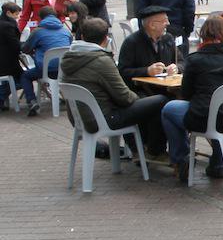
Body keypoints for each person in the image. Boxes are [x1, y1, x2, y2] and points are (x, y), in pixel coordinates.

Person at [160, 16, 223, 181]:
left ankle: (181, 159)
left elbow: (187, 94)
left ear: (204, 35)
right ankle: (219, 162)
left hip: (206, 119)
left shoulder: (195, 60)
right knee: (219, 111)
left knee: (169, 110)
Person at [61, 18, 169, 157]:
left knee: (142, 102)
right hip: (102, 119)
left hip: (79, 119)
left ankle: (139, 149)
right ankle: (153, 151)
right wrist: (139, 98)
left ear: (82, 37)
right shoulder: (101, 60)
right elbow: (124, 98)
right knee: (160, 101)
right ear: (106, 39)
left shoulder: (69, 57)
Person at [20, 6, 73, 117]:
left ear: (40, 18)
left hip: (46, 70)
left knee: (25, 76)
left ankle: (32, 101)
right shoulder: (66, 31)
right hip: (65, 69)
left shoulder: (38, 32)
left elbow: (26, 49)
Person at [117, 6, 182, 91]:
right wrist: (147, 71)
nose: (168, 23)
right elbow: (123, 71)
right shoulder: (132, 42)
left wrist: (176, 68)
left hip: (168, 88)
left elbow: (182, 62)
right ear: (152, 25)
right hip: (143, 90)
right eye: (164, 21)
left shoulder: (168, 39)